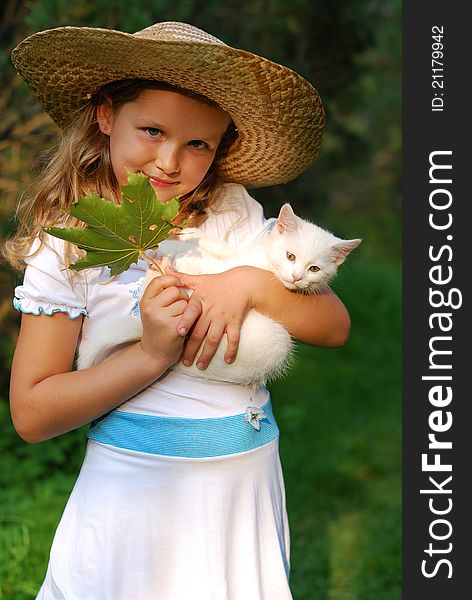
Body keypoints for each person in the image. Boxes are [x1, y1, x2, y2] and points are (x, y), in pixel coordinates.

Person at [5, 21, 351, 600]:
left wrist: (248, 284)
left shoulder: (231, 215)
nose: (169, 161)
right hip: (134, 491)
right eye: (151, 130)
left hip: (242, 486)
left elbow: (333, 327)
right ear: (105, 115)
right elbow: (33, 414)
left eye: (198, 144)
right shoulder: (69, 243)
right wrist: (150, 355)